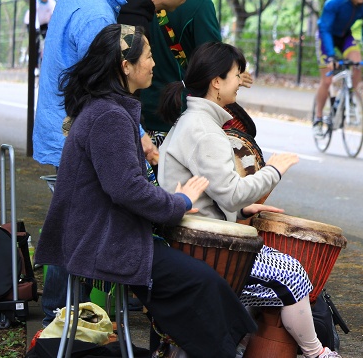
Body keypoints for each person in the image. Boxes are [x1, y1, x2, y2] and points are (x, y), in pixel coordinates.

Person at [35, 24, 255, 358]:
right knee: (201, 281)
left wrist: (173, 202)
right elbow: (127, 189)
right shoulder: (109, 115)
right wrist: (178, 202)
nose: (154, 64)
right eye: (149, 56)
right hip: (103, 242)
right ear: (127, 66)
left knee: (197, 280)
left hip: (104, 235)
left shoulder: (107, 108)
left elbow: (124, 186)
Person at [157, 42, 341, 358]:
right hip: (206, 249)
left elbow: (213, 192)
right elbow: (230, 191)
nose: (240, 81)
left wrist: (243, 209)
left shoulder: (193, 121)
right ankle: (318, 354)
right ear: (217, 81)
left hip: (196, 240)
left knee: (282, 274)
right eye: (236, 75)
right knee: (293, 274)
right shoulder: (204, 130)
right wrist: (274, 170)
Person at [33, 0, 165, 326]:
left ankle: (60, 312)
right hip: (75, 132)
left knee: (72, 218)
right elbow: (110, 84)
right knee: (79, 226)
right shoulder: (96, 14)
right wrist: (141, 138)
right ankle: (59, 315)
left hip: (66, 126)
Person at [131, 0, 254, 152]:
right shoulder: (198, 2)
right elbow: (211, 59)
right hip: (180, 114)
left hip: (140, 115)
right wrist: (231, 72)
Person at [312, 0, 363, 134]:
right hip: (325, 36)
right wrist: (331, 55)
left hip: (344, 36)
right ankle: (318, 119)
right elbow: (324, 28)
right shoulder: (335, 2)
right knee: (327, 81)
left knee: (356, 62)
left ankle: (350, 97)